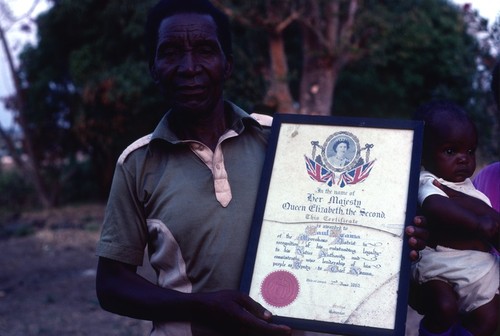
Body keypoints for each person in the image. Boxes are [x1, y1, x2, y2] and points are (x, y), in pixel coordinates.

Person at [95, 0, 429, 335]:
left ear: (227, 64)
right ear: (153, 67)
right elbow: (111, 284)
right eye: (170, 52)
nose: (189, 67)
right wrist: (202, 306)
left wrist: (394, 238)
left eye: (205, 50)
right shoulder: (138, 163)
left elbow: (339, 220)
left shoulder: (284, 142)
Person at [411, 101, 499, 336]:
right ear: (423, 153)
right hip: (441, 266)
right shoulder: (428, 181)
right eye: (451, 151)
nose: (463, 159)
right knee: (443, 307)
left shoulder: (470, 187)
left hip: (478, 270)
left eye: (470, 151)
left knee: (489, 319)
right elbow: (434, 204)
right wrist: (478, 223)